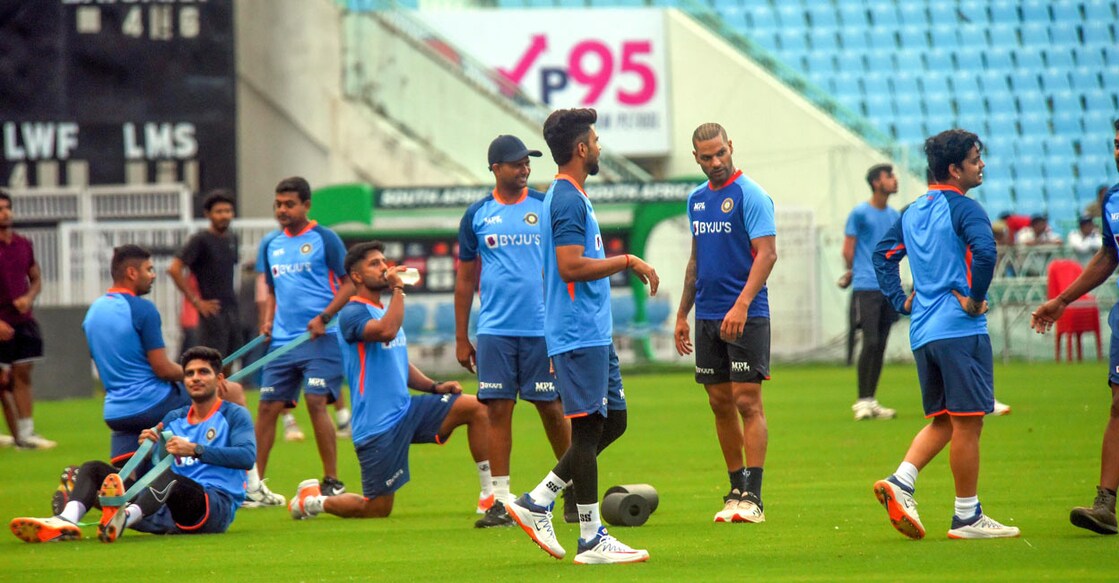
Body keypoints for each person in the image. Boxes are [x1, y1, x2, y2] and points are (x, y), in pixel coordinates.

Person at [506, 108, 657, 565]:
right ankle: (591, 538)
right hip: (577, 333)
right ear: (580, 149)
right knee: (589, 429)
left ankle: (538, 499)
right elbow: (571, 265)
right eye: (594, 138)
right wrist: (628, 261)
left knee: (614, 423)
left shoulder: (572, 196)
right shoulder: (567, 199)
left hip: (591, 332)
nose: (599, 145)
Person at [871, 128, 1020, 540]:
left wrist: (901, 302)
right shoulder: (965, 209)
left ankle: (901, 481)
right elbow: (986, 252)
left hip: (924, 332)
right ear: (955, 170)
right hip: (959, 329)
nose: (982, 165)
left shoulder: (913, 210)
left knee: (944, 421)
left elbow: (882, 257)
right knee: (969, 422)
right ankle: (967, 516)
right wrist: (974, 299)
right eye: (975, 159)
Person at [288, 242, 491, 520]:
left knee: (476, 408)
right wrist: (398, 289)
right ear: (356, 276)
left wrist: (434, 386)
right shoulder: (352, 313)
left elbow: (399, 361)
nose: (384, 267)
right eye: (374, 263)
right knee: (377, 508)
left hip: (406, 410)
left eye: (384, 261)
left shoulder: (384, 310)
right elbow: (387, 332)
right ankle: (312, 502)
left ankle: (490, 496)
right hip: (377, 426)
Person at [10, 346, 255, 543]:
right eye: (190, 373)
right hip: (165, 505)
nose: (195, 378)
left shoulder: (234, 415)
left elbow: (246, 457)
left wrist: (195, 450)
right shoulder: (174, 418)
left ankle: (122, 516)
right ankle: (66, 520)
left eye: (204, 372)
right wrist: (149, 448)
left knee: (169, 478)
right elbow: (153, 470)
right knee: (92, 469)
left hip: (212, 506)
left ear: (219, 378)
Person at [454, 134, 572, 528]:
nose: (525, 169)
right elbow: (465, 278)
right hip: (495, 332)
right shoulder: (477, 215)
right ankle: (501, 501)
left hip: (542, 329)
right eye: (517, 163)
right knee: (497, 411)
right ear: (496, 168)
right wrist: (460, 336)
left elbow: (568, 262)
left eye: (527, 162)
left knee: (552, 408)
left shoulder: (546, 205)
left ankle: (574, 487)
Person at [673, 123, 778, 524]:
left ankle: (755, 495)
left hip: (746, 316)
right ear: (696, 159)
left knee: (747, 401)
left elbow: (766, 254)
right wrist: (683, 314)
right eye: (707, 157)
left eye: (720, 153)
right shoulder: (697, 200)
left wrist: (742, 304)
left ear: (731, 147)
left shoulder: (751, 195)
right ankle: (735, 489)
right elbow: (696, 261)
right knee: (719, 403)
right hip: (708, 317)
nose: (716, 162)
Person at [1030, 119, 1119, 535]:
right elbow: (1108, 255)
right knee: (1118, 406)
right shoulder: (1113, 200)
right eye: (1117, 143)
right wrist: (1062, 299)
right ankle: (1105, 505)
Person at [254, 176, 353, 505]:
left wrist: (324, 317)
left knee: (314, 401)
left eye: (289, 204)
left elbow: (349, 284)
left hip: (321, 338)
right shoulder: (271, 245)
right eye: (278, 204)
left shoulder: (325, 239)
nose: (282, 210)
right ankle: (253, 486)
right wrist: (268, 320)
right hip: (282, 341)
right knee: (267, 407)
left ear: (306, 205)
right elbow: (272, 290)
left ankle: (332, 480)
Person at [82, 245, 192, 462]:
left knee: (130, 485)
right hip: (152, 403)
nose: (153, 275)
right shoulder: (143, 309)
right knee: (228, 394)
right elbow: (163, 369)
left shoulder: (93, 312)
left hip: (115, 412)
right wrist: (193, 373)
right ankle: (249, 485)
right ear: (132, 273)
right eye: (149, 270)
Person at [839, 164, 900, 421]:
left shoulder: (895, 215)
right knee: (871, 340)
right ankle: (862, 400)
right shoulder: (860, 213)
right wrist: (854, 271)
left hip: (888, 286)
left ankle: (871, 400)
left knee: (881, 344)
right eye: (889, 176)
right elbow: (848, 249)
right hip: (866, 286)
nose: (894, 180)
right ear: (876, 182)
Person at [0, 189, 54, 449]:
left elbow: (35, 277)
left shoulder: (23, 244)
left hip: (22, 320)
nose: (5, 213)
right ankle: (16, 435)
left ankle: (26, 431)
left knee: (22, 373)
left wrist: (29, 298)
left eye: (7, 207)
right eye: (0, 209)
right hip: (1, 322)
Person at [168, 190, 242, 368]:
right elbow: (174, 269)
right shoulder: (200, 240)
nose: (224, 215)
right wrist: (196, 301)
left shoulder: (232, 238)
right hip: (212, 311)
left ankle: (224, 395)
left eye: (228, 211)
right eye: (219, 211)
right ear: (208, 214)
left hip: (231, 307)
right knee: (212, 362)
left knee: (230, 359)